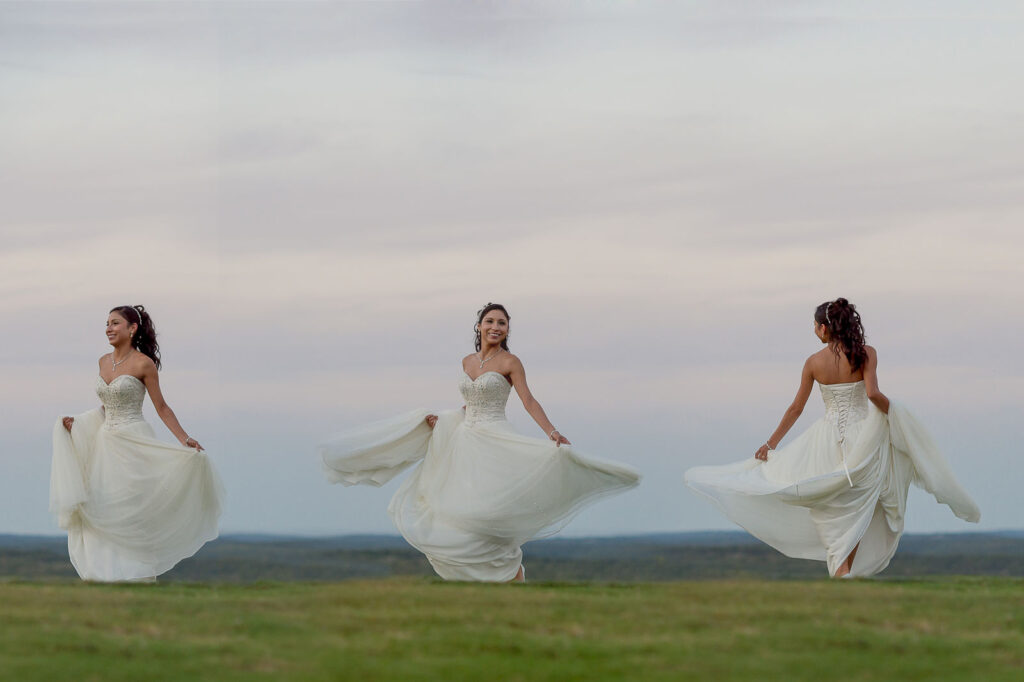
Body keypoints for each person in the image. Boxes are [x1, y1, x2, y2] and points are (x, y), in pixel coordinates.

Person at [321, 302, 641, 582]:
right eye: (490, 321)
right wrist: (445, 420)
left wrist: (551, 431)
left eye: (502, 323)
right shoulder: (467, 362)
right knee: (457, 509)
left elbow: (528, 401)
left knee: (490, 512)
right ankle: (485, 579)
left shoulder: (510, 362)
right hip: (464, 438)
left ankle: (513, 575)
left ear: (507, 330)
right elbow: (471, 402)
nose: (495, 327)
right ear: (479, 326)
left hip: (495, 438)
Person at [685, 298, 980, 577]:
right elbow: (873, 394)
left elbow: (796, 408)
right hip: (863, 438)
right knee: (857, 505)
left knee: (830, 505)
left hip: (825, 441)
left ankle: (843, 573)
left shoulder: (813, 362)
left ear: (824, 328)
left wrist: (771, 443)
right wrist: (897, 418)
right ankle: (844, 574)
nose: (815, 332)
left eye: (815, 327)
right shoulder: (866, 354)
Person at [50, 305, 224, 581]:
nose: (109, 328)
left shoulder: (144, 363)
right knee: (102, 505)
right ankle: (104, 574)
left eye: (115, 323)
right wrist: (79, 424)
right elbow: (106, 407)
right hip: (105, 443)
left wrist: (184, 438)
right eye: (107, 323)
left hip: (133, 442)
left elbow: (162, 407)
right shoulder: (102, 362)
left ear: (132, 329)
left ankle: (135, 574)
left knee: (130, 509)